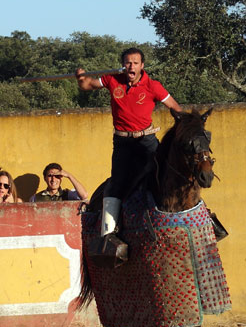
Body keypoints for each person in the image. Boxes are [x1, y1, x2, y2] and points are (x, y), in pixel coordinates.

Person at [75, 47, 182, 236]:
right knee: (116, 183)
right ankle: (107, 236)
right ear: (123, 65)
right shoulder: (112, 79)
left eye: (135, 63)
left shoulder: (153, 86)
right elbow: (87, 86)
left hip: (147, 140)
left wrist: (186, 127)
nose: (131, 66)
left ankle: (198, 218)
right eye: (127, 62)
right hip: (122, 142)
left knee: (169, 174)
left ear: (142, 65)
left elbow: (175, 108)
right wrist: (81, 78)